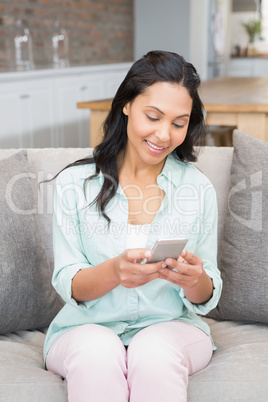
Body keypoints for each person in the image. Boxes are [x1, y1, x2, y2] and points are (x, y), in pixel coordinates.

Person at [44, 50, 222, 402]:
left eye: (178, 123)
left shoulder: (196, 188)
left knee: (154, 351)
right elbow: (69, 282)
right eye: (152, 116)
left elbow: (206, 293)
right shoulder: (74, 184)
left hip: (172, 327)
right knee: (97, 352)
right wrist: (114, 272)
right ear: (126, 104)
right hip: (86, 328)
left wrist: (195, 280)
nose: (163, 135)